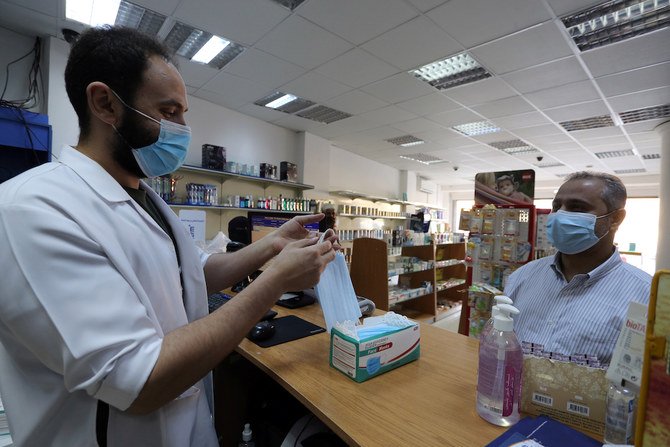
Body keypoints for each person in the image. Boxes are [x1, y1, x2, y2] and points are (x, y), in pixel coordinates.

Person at [0, 27, 338, 447]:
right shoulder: (34, 209)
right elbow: (137, 382)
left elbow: (194, 273)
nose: (182, 128)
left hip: (188, 427)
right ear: (105, 103)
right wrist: (275, 283)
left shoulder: (147, 198)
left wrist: (271, 246)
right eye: (169, 111)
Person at [503, 171, 651, 363]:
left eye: (577, 207)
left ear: (616, 219)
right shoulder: (522, 277)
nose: (560, 215)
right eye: (556, 207)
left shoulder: (646, 296)